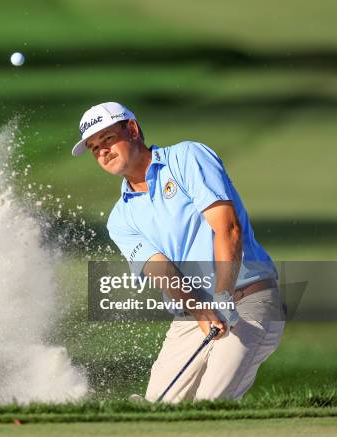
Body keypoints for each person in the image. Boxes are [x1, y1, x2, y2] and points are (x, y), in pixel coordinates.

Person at [72, 102, 285, 402]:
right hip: (193, 316)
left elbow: (228, 228)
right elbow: (162, 271)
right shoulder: (120, 218)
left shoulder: (187, 157)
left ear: (132, 130)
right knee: (158, 407)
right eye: (94, 148)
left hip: (248, 301)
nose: (102, 151)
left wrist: (221, 295)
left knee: (211, 403)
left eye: (107, 139)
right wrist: (200, 309)